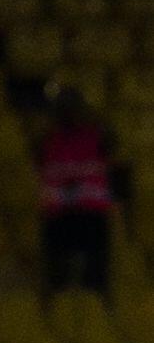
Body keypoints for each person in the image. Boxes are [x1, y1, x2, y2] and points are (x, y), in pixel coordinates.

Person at [38, 91, 118, 297]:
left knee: (93, 279)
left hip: (88, 213)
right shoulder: (48, 141)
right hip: (62, 214)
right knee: (60, 279)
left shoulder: (97, 137)